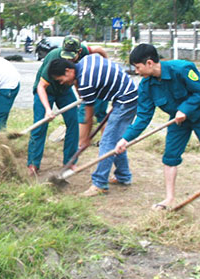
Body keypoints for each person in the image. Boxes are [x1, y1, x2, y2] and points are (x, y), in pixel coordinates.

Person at [115, 44, 200, 219]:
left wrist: (186, 108)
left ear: (149, 63)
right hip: (177, 120)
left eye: (137, 67)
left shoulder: (182, 69)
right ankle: (169, 198)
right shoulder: (146, 86)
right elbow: (143, 117)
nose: (136, 71)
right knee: (170, 156)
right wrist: (125, 139)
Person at [49, 54, 138, 196]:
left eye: (61, 80)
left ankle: (100, 184)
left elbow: (89, 115)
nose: (61, 83)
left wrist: (85, 139)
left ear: (68, 71)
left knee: (107, 142)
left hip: (125, 100)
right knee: (115, 140)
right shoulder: (84, 62)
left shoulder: (86, 82)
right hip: (125, 94)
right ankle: (123, 176)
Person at [27, 36, 108, 175]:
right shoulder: (54, 58)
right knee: (40, 125)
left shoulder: (84, 51)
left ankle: (69, 162)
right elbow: (41, 86)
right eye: (66, 56)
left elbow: (99, 49)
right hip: (47, 90)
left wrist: (107, 62)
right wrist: (47, 110)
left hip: (64, 90)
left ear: (79, 51)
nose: (68, 60)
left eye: (71, 57)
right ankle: (33, 164)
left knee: (74, 122)